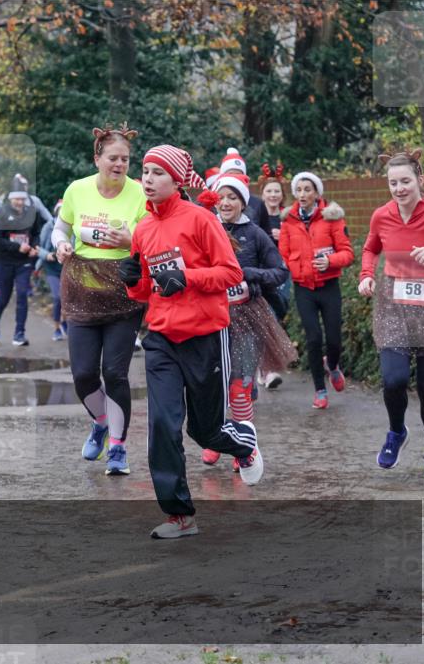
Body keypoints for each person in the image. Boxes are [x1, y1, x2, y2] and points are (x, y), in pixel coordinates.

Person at [119, 144, 263, 539]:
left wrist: (190, 278)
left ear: (177, 180)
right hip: (162, 338)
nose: (147, 179)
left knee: (206, 431)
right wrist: (133, 280)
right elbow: (146, 291)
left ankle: (244, 442)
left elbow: (231, 274)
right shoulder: (143, 228)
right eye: (145, 171)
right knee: (163, 425)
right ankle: (179, 515)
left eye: (157, 173)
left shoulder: (201, 220)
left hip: (205, 337)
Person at [52, 123, 148, 476]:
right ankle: (102, 421)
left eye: (125, 159)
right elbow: (61, 227)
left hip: (124, 293)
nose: (119, 164)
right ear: (97, 159)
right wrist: (59, 243)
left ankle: (119, 448)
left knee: (115, 373)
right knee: (83, 375)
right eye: (113, 158)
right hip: (82, 291)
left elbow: (152, 235)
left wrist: (130, 238)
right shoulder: (77, 190)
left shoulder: (139, 193)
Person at [198, 174, 294, 468]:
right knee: (214, 385)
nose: (226, 203)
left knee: (240, 385)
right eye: (221, 197)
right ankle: (217, 438)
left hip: (246, 317)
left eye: (233, 197)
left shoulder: (255, 234)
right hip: (210, 318)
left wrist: (250, 276)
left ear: (243, 202)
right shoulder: (204, 228)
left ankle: (244, 447)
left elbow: (280, 271)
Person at [359, 150, 424, 478]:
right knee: (393, 380)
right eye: (393, 182)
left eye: (405, 181)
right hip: (392, 309)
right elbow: (370, 248)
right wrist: (366, 274)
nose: (399, 188)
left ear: (420, 180)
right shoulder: (382, 215)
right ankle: (397, 432)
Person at [278, 171, 354, 409]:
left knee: (333, 339)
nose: (302, 194)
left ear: (317, 193)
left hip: (329, 286)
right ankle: (320, 390)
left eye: (307, 189)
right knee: (313, 338)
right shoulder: (288, 220)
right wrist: (296, 267)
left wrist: (329, 261)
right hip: (304, 288)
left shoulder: (332, 218)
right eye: (298, 190)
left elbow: (348, 253)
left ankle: (332, 365)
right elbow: (283, 254)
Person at [0, 188, 42, 346]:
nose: (19, 202)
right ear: (10, 199)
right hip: (5, 262)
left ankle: (19, 333)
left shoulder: (32, 212)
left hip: (23, 263)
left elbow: (37, 233)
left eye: (22, 199)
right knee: (3, 299)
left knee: (22, 295)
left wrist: (35, 246)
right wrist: (16, 247)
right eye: (16, 199)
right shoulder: (2, 213)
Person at [257, 162, 291, 389]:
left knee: (277, 314)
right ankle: (266, 369)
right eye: (268, 191)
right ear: (262, 195)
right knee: (266, 317)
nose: (272, 195)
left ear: (282, 195)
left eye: (276, 191)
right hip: (264, 273)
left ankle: (264, 364)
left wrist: (286, 235)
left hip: (284, 272)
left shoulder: (289, 217)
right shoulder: (257, 217)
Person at [36, 200, 66, 341]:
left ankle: (65, 321)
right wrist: (47, 255)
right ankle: (56, 328)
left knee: (67, 299)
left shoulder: (74, 226)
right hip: (51, 267)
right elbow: (38, 248)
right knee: (57, 297)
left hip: (66, 267)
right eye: (60, 211)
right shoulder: (48, 227)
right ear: (56, 212)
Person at [218, 147, 267, 233]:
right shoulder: (211, 205)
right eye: (230, 174)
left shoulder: (257, 204)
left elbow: (266, 233)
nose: (235, 179)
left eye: (238, 175)